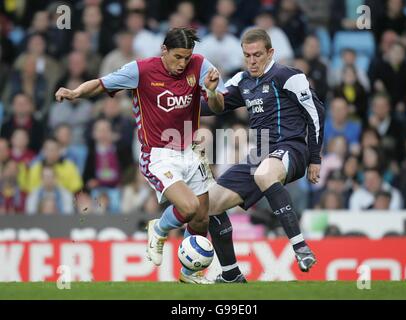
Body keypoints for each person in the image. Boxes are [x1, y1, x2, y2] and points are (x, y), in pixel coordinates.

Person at [55, 27, 226, 284]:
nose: (182, 63)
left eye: (187, 58)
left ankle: (189, 274)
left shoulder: (200, 65)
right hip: (157, 155)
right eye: (177, 57)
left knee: (202, 219)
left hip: (190, 151)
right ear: (164, 50)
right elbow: (102, 84)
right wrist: (76, 92)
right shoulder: (141, 70)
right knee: (188, 207)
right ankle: (158, 228)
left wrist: (212, 92)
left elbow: (218, 107)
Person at [201, 28, 325, 283]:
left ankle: (300, 247)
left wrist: (315, 158)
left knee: (265, 172)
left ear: (270, 53)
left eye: (257, 55)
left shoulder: (288, 76)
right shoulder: (241, 81)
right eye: (247, 55)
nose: (252, 60)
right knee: (208, 204)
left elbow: (316, 113)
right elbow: (212, 108)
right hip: (260, 154)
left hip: (292, 146)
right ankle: (231, 274)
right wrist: (210, 92)